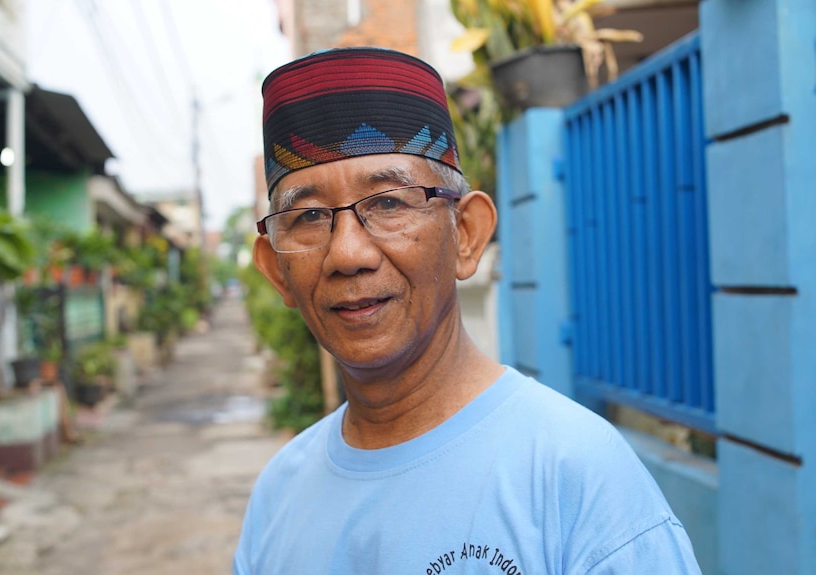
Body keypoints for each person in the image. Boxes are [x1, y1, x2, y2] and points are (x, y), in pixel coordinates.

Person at [233, 46, 702, 574]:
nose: (348, 254)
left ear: (467, 234)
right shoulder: (279, 495)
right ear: (277, 270)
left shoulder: (576, 475)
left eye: (388, 202)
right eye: (311, 216)